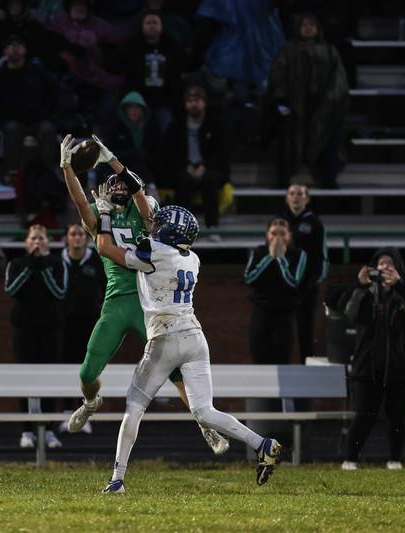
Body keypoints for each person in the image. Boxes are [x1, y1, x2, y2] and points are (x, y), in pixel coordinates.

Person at [59, 133, 229, 456]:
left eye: (123, 183)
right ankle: (91, 400)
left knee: (178, 372)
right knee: (86, 372)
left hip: (149, 302)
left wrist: (111, 160)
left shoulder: (146, 210)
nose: (119, 187)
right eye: (113, 184)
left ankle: (205, 425)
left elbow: (138, 194)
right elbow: (81, 203)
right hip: (116, 301)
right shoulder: (100, 213)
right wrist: (68, 169)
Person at [94, 203, 282, 493]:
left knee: (134, 406)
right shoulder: (193, 258)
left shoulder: (152, 251)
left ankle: (117, 479)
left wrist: (105, 214)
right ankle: (262, 443)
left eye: (159, 225)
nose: (153, 227)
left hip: (164, 336)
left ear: (168, 230)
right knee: (205, 411)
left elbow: (105, 247)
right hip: (194, 336)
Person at [339, 247, 405, 471]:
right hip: (367, 364)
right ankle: (350, 459)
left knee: (397, 415)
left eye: (389, 263)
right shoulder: (367, 290)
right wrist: (360, 285)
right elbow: (347, 313)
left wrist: (398, 285)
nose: (384, 268)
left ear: (398, 267)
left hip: (400, 365)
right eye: (380, 264)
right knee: (363, 414)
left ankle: (395, 459)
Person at [265, 12, 349, 189]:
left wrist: (330, 101)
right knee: (287, 135)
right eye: (304, 25)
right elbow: (277, 75)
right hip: (294, 106)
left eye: (312, 25)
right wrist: (282, 99)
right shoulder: (287, 50)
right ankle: (283, 179)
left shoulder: (329, 50)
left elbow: (338, 80)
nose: (308, 28)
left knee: (329, 132)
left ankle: (329, 178)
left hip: (323, 106)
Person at [4, 224, 67, 449]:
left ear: (47, 242)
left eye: (41, 239)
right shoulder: (17, 264)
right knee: (26, 380)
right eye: (33, 239)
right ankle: (27, 430)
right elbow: (11, 290)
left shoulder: (57, 263)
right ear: (26, 243)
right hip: (24, 331)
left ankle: (48, 430)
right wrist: (30, 267)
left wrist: (42, 267)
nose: (37, 243)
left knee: (50, 380)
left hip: (50, 331)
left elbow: (59, 292)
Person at [162, 84, 229, 236]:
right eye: (190, 101)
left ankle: (213, 227)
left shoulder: (215, 124)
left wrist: (204, 166)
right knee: (182, 182)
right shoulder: (176, 125)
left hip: (208, 168)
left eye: (197, 100)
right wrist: (186, 166)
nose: (194, 104)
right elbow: (170, 153)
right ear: (186, 104)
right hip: (184, 167)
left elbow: (221, 152)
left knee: (210, 182)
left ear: (204, 103)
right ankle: (183, 230)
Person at [0, 34, 59, 175]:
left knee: (48, 130)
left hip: (38, 119)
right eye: (11, 46)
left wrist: (48, 113)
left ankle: (49, 176)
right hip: (12, 120)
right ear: (5, 52)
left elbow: (54, 93)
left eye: (19, 45)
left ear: (25, 50)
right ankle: (12, 175)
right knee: (11, 130)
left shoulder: (38, 71)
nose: (15, 49)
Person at [244, 218, 307, 364]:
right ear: (267, 235)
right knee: (259, 359)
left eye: (282, 234)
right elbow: (249, 279)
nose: (277, 238)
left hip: (285, 314)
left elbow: (293, 281)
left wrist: (281, 259)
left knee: (282, 359)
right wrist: (269, 258)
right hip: (261, 312)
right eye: (274, 233)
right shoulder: (259, 251)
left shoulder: (298, 254)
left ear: (289, 236)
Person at [113, 9, 186, 132]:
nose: (151, 25)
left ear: (162, 27)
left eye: (155, 22)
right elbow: (114, 65)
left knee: (167, 130)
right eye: (148, 23)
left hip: (164, 100)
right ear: (142, 27)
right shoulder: (131, 46)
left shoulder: (173, 46)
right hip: (138, 99)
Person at [280, 183, 328, 361]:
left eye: (300, 194)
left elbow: (320, 258)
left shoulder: (315, 224)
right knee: (281, 330)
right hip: (283, 286)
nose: (296, 197)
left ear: (307, 199)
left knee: (305, 331)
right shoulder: (280, 221)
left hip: (305, 288)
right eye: (292, 193)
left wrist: (311, 284)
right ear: (287, 198)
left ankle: (307, 369)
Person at [61, 223, 105, 366]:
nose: (77, 238)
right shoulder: (58, 261)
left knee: (87, 359)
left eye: (81, 234)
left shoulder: (97, 261)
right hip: (64, 320)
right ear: (66, 238)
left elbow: (106, 287)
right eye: (73, 234)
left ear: (86, 238)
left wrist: (100, 309)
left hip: (89, 319)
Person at [103, 91, 162, 186]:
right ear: (125, 109)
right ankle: (149, 187)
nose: (133, 110)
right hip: (120, 165)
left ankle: (149, 188)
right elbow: (109, 152)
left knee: (140, 160)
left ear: (143, 109)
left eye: (137, 107)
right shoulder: (115, 126)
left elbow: (156, 152)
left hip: (146, 166)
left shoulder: (151, 127)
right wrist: (132, 154)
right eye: (130, 107)